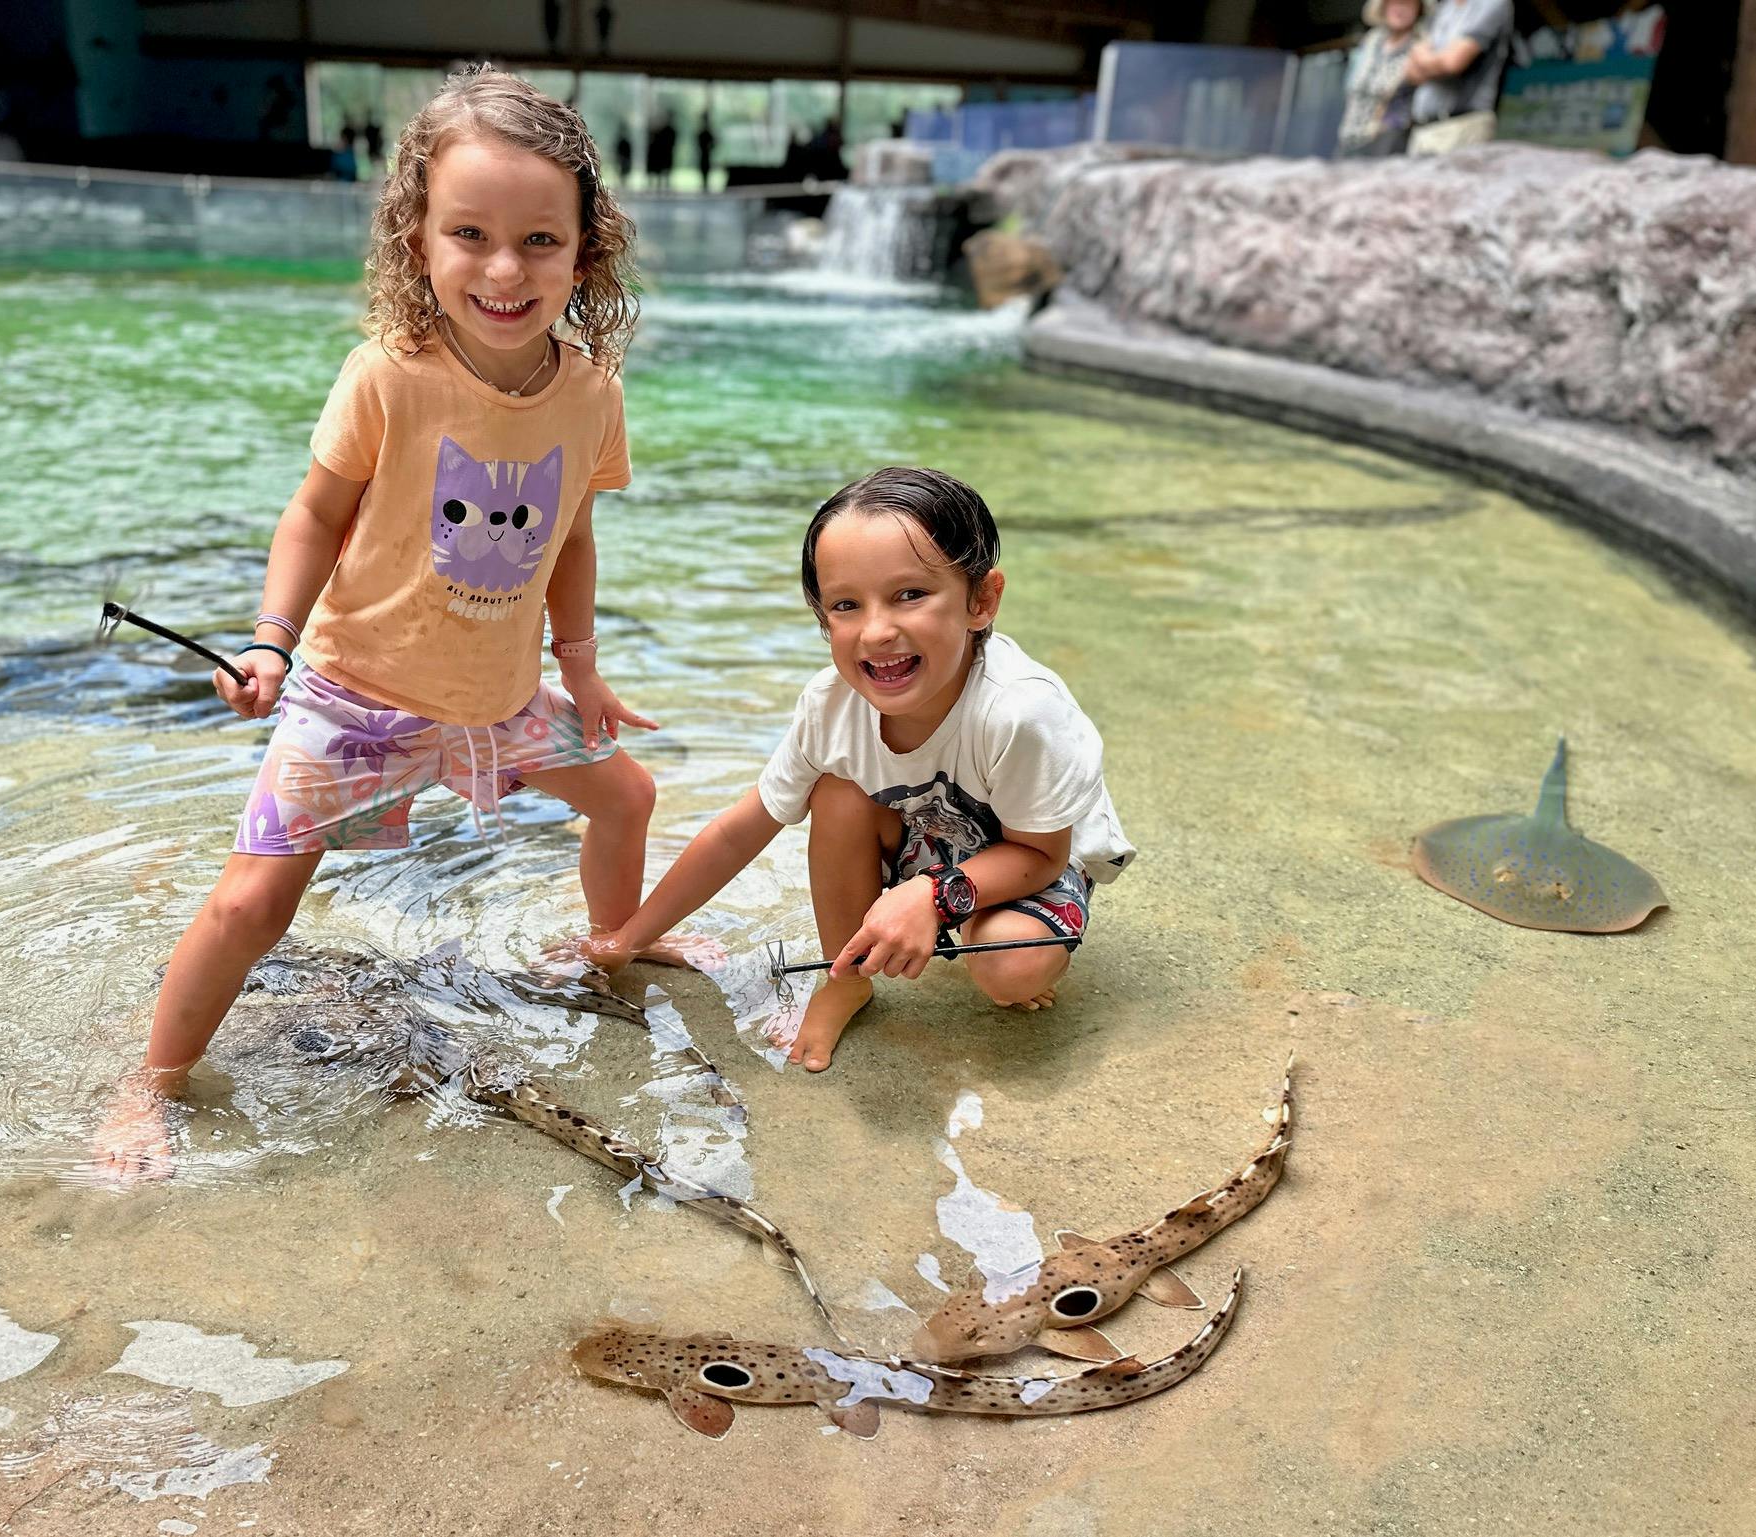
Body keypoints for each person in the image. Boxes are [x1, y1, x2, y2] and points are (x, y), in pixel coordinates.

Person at [93, 67, 690, 1180]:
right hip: (357, 700)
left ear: (585, 250)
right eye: (470, 233)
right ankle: (150, 1087)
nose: (505, 270)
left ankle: (614, 945)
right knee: (253, 900)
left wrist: (584, 670)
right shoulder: (388, 375)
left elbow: (567, 536)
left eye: (540, 241)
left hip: (499, 703)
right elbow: (313, 514)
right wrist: (271, 639)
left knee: (626, 794)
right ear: (417, 237)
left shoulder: (593, 391)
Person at [579, 468, 1135, 1073]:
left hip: (1029, 856)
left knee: (1009, 969)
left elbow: (1042, 853)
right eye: (846, 605)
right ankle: (845, 981)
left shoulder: (1021, 712)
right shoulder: (830, 707)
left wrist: (931, 896)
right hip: (931, 841)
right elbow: (739, 832)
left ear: (982, 600)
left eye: (910, 595)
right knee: (837, 791)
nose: (877, 631)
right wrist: (628, 939)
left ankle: (1008, 933)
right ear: (823, 620)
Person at [1405, 0, 1516, 153]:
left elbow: (1453, 62)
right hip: (1423, 127)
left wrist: (1425, 60)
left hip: (1463, 124)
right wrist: (1437, 62)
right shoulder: (1444, 7)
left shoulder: (1493, 4)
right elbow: (1410, 72)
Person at [1339, 0, 1430, 156]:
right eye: (1395, 3)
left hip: (1390, 137)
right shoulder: (1371, 41)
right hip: (1350, 135)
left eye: (1408, 4)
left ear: (1418, 10)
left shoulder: (1422, 45)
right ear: (1383, 7)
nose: (1400, 9)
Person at [695, 112, 716, 189]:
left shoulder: (704, 132)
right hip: (704, 154)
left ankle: (705, 184)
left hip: (705, 154)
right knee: (704, 170)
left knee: (705, 170)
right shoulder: (704, 132)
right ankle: (705, 184)